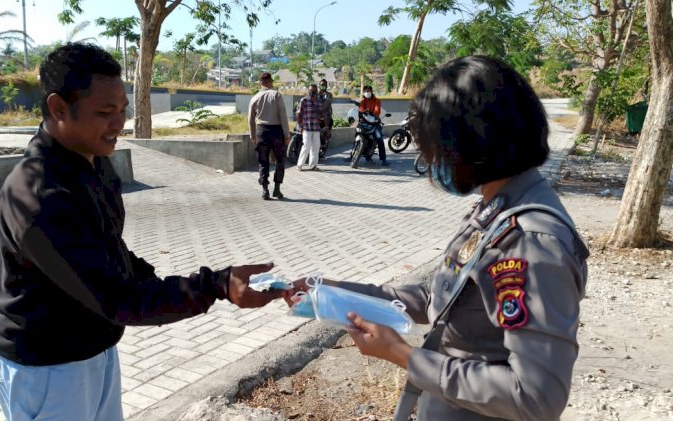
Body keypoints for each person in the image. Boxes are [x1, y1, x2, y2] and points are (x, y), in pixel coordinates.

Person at [0, 43, 282, 421]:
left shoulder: (94, 163)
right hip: (46, 365)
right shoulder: (40, 195)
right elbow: (117, 298)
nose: (118, 124)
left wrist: (162, 283)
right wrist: (216, 286)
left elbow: (109, 251)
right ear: (59, 108)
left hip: (94, 345)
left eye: (123, 110)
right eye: (105, 113)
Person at [285, 56, 589, 420]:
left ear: (476, 143)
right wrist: (335, 290)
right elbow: (438, 297)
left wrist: (404, 355)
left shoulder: (531, 240)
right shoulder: (496, 208)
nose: (430, 163)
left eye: (436, 148)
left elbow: (535, 397)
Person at [248, 72, 291, 200]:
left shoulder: (255, 98)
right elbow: (283, 115)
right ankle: (277, 189)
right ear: (271, 82)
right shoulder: (276, 95)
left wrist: (252, 135)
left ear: (261, 83)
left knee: (263, 161)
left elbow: (250, 119)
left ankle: (265, 190)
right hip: (276, 131)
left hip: (261, 131)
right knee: (279, 160)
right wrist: (286, 134)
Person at [295, 83, 324, 171]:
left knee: (316, 147)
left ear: (317, 91)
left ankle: (313, 165)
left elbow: (322, 114)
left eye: (314, 91)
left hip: (316, 128)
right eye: (311, 90)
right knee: (306, 145)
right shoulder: (304, 100)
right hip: (306, 127)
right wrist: (300, 126)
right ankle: (299, 165)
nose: (312, 92)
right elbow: (299, 113)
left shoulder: (319, 102)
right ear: (308, 91)